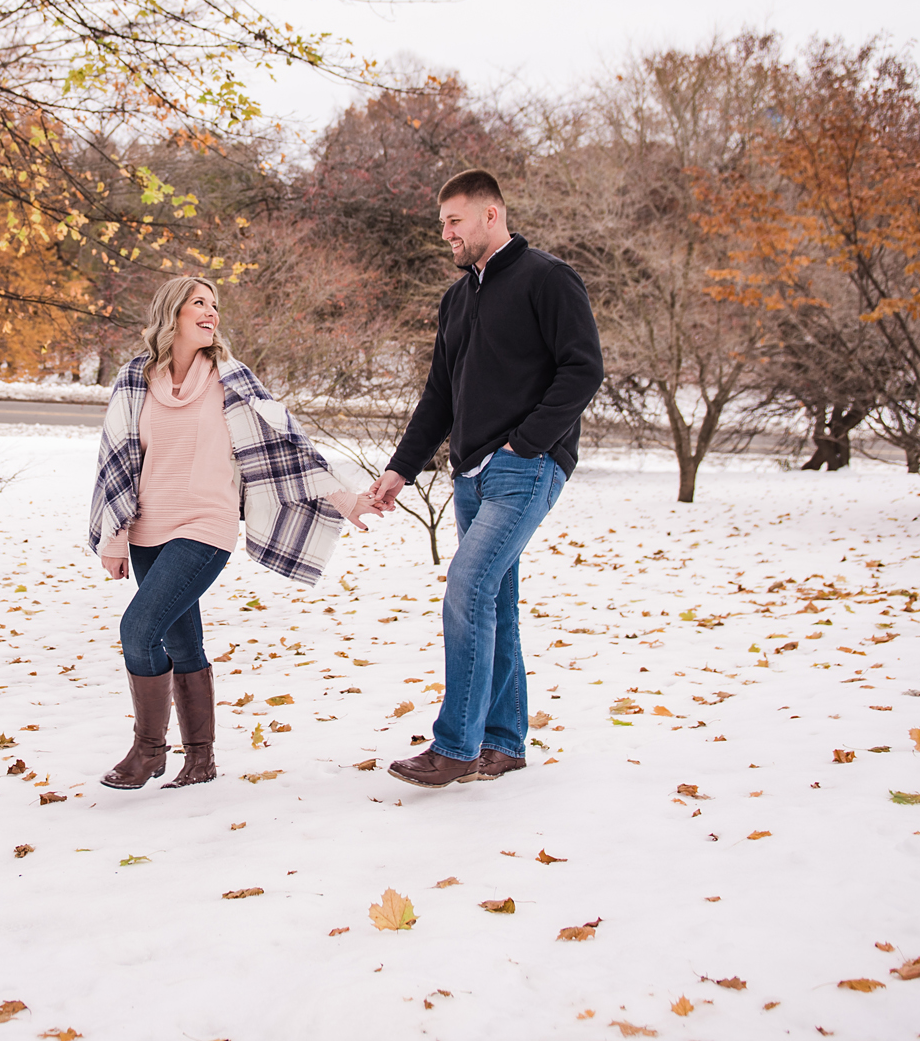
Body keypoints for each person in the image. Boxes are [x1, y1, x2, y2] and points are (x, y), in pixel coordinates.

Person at [89, 275, 381, 790]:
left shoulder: (232, 379)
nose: (211, 312)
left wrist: (347, 499)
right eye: (199, 303)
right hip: (146, 530)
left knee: (137, 630)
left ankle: (148, 750)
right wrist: (115, 539)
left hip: (206, 526)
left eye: (214, 304)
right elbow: (117, 462)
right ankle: (200, 760)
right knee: (180, 641)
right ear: (172, 313)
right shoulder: (135, 378)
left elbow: (288, 446)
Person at [370, 170, 604, 789]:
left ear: (492, 214)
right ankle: (503, 743)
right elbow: (439, 397)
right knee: (495, 602)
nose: (445, 233)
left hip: (524, 468)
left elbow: (582, 370)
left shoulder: (547, 279)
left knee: (467, 585)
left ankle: (455, 746)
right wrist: (402, 467)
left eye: (454, 220)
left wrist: (525, 444)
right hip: (469, 475)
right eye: (442, 223)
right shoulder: (458, 298)